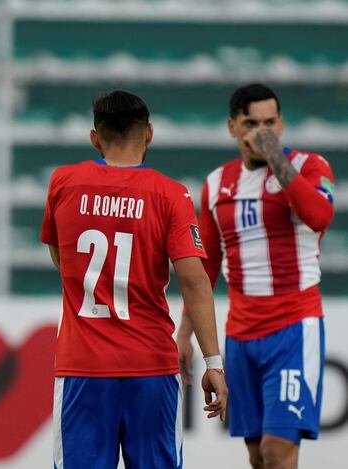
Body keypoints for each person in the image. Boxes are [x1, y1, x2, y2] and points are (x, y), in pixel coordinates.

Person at [41, 91, 228, 469]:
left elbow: (59, 253)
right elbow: (195, 281)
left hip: (84, 367)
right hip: (151, 367)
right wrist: (213, 362)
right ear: (150, 134)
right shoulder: (170, 194)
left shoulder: (63, 182)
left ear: (95, 137)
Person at [177, 83, 335, 469]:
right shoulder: (216, 184)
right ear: (232, 126)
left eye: (270, 123)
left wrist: (276, 158)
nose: (261, 132)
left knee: (278, 450)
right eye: (251, 123)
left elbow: (320, 216)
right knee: (256, 457)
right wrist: (185, 331)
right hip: (242, 334)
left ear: (281, 124)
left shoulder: (309, 166)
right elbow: (207, 264)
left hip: (294, 327)